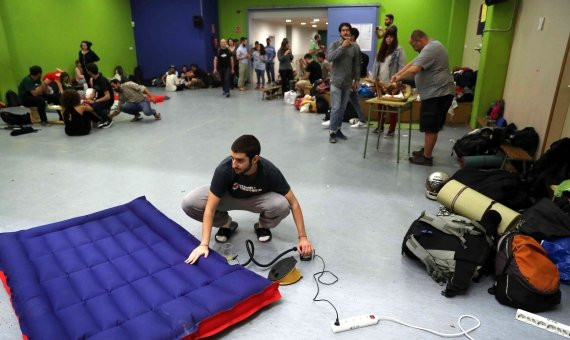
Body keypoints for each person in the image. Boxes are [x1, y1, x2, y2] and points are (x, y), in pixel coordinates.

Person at [182, 134, 314, 264]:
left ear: (255, 159)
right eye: (232, 158)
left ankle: (262, 226)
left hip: (256, 200)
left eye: (240, 160)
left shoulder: (270, 171)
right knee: (189, 202)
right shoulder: (224, 169)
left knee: (282, 204)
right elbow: (210, 208)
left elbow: (294, 203)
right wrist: (204, 245)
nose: (234, 164)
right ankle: (225, 223)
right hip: (228, 197)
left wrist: (303, 238)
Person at [391, 30, 454, 166]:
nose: (414, 49)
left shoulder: (431, 48)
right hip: (434, 93)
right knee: (428, 125)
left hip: (437, 94)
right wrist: (397, 74)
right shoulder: (431, 47)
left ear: (419, 41)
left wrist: (399, 78)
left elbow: (414, 70)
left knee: (431, 127)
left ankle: (427, 157)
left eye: (414, 46)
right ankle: (426, 150)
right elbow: (412, 63)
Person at [325, 23, 367, 142]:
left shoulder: (355, 47)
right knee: (336, 107)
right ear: (340, 33)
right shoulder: (334, 44)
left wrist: (357, 80)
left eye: (347, 30)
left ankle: (338, 130)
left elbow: (357, 65)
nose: (345, 32)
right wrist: (342, 47)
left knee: (342, 108)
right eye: (343, 30)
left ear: (350, 32)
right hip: (336, 82)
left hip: (348, 83)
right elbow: (330, 58)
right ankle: (332, 132)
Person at [371, 28, 406, 137]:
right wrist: (374, 80)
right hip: (380, 82)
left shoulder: (399, 50)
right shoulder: (381, 50)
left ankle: (391, 129)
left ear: (394, 38)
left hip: (392, 84)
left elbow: (402, 68)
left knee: (392, 107)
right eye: (387, 36)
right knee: (380, 106)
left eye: (391, 37)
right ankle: (380, 126)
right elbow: (375, 65)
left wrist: (398, 83)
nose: (388, 39)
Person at [85, 63, 114, 128]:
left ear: (89, 72)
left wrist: (95, 101)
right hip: (101, 98)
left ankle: (108, 120)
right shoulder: (94, 79)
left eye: (87, 70)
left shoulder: (102, 80)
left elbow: (107, 96)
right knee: (86, 105)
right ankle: (97, 120)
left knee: (95, 105)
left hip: (108, 100)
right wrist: (88, 99)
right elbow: (94, 92)